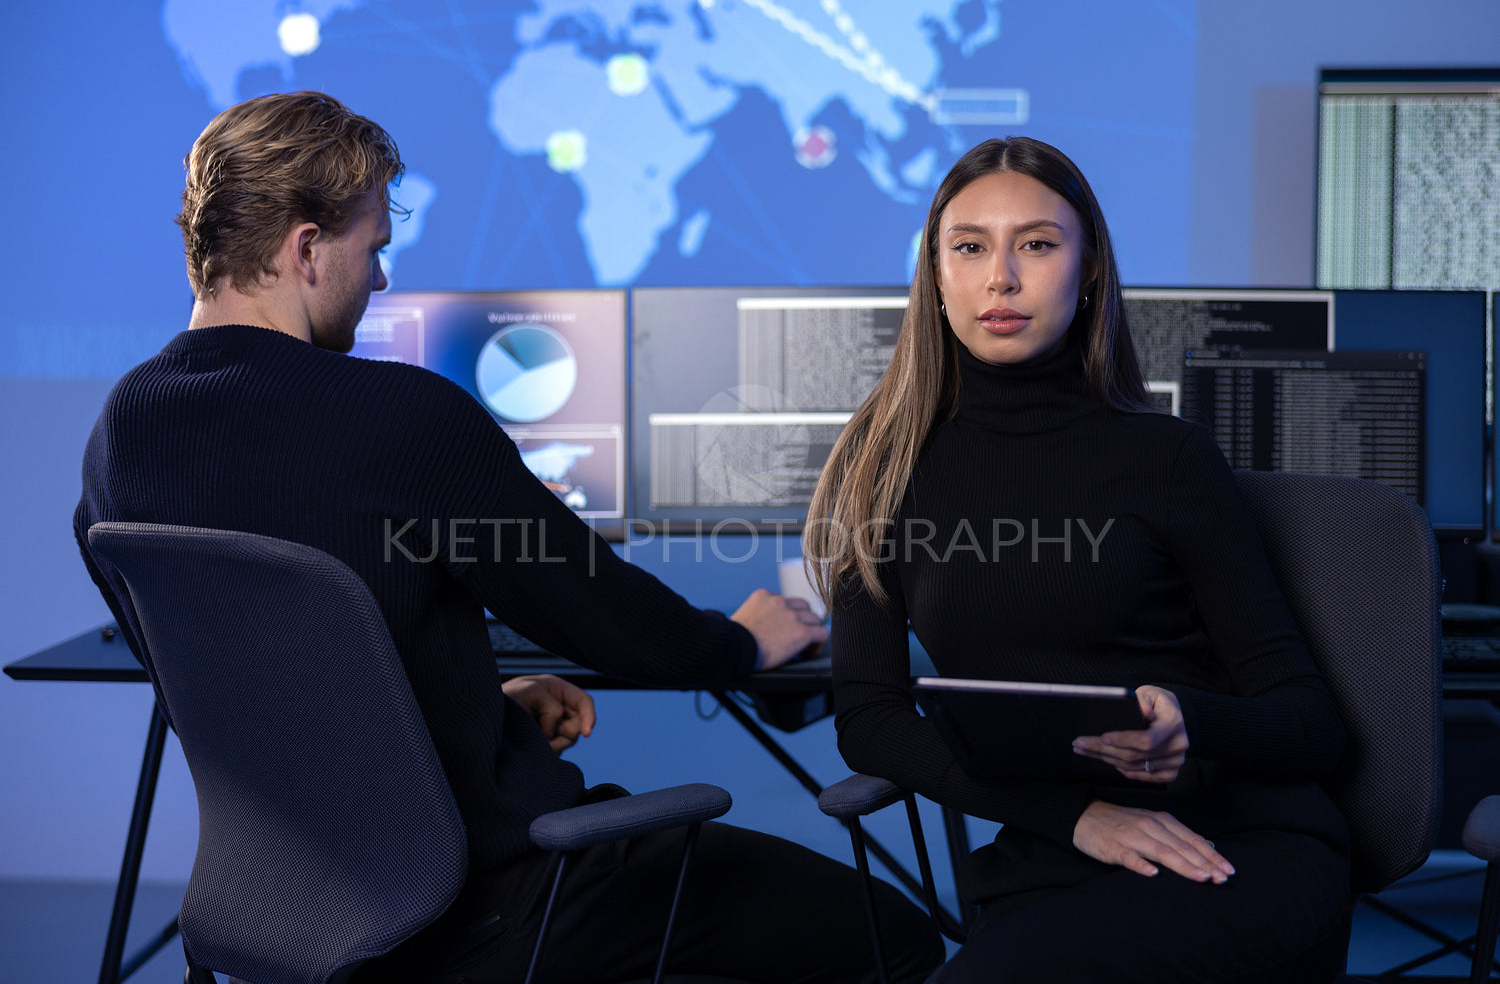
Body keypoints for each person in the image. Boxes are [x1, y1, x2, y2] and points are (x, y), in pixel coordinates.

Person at [74, 90, 942, 984]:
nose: (378, 280)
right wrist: (736, 642)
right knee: (893, 937)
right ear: (305, 249)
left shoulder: (118, 439)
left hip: (287, 911)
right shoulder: (396, 416)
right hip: (488, 906)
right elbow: (598, 612)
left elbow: (235, 689)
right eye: (373, 250)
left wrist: (465, 713)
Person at [804, 137, 1352, 983]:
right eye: (971, 246)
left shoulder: (1168, 458)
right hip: (1057, 850)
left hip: (1235, 841)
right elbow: (868, 719)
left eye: (1037, 243)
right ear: (937, 274)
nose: (1002, 278)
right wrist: (1073, 815)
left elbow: (1314, 725)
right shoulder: (880, 466)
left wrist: (1189, 719)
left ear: (1089, 267)